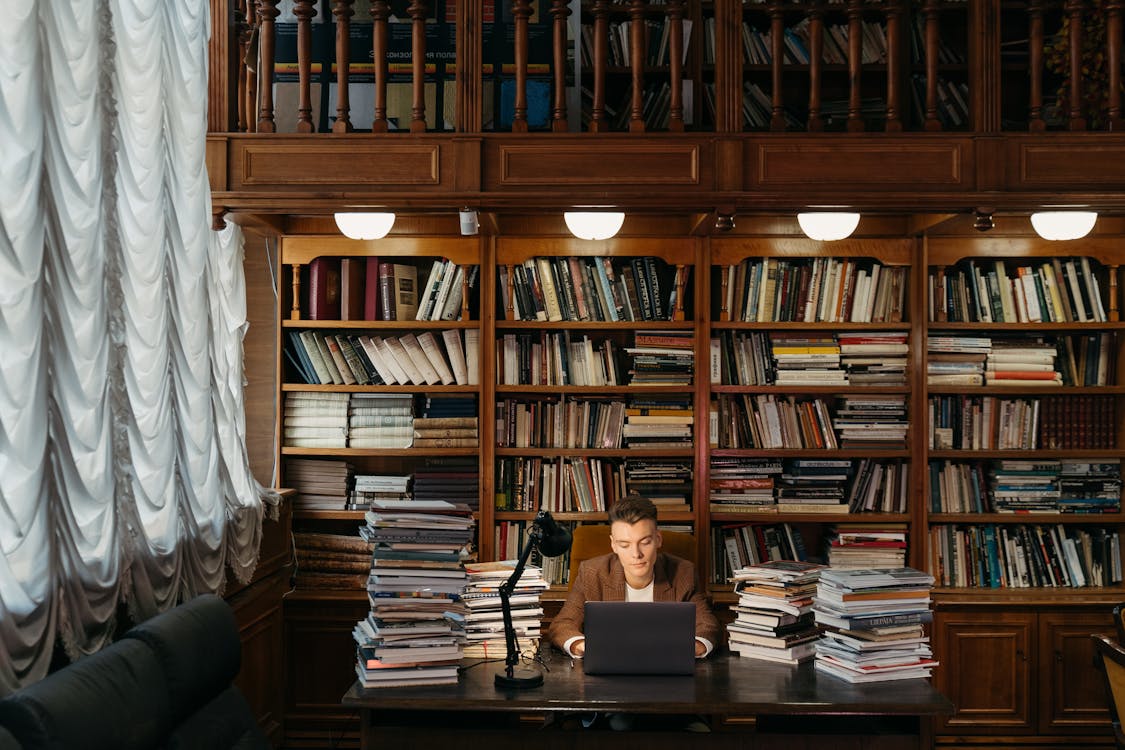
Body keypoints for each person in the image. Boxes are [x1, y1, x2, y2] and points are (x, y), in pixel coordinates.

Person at [548, 495, 721, 660]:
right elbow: (562, 624)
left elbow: (708, 626)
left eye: (645, 542)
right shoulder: (591, 573)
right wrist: (586, 646)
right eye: (625, 545)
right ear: (613, 545)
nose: (636, 554)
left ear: (658, 539)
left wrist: (686, 648)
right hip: (606, 676)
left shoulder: (684, 573)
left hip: (665, 675)